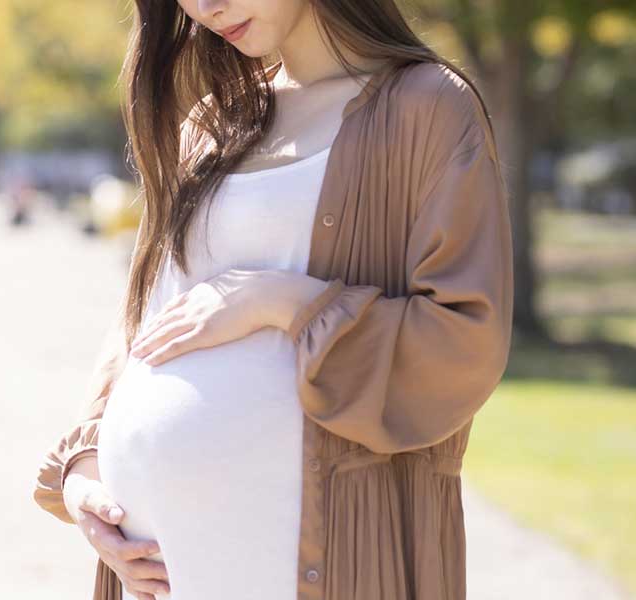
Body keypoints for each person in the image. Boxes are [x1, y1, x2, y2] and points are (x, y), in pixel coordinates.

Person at [33, 2, 514, 600]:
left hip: (313, 563)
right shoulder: (210, 124)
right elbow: (145, 315)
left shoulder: (428, 108)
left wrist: (282, 301)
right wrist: (86, 464)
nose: (206, 7)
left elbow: (465, 343)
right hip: (159, 576)